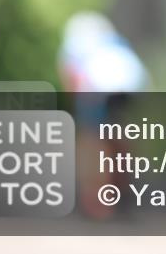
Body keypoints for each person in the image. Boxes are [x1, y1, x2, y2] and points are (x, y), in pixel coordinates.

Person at [58, 11, 149, 219]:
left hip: (97, 86)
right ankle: (122, 193)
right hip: (128, 85)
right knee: (118, 137)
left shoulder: (75, 45)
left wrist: (76, 107)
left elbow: (72, 76)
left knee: (92, 141)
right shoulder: (116, 42)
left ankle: (97, 201)